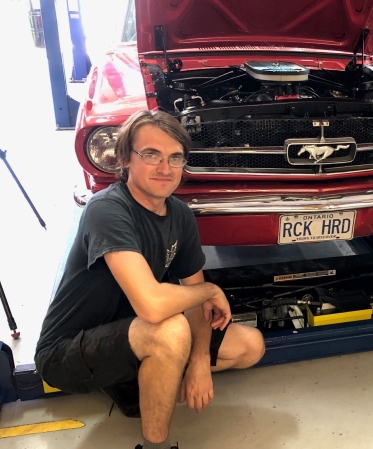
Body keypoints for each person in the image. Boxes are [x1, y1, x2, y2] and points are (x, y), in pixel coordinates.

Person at [35, 110, 266, 449]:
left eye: (175, 158)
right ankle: (155, 443)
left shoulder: (180, 215)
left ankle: (142, 382)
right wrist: (212, 289)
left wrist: (200, 360)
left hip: (133, 333)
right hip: (68, 350)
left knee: (250, 346)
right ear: (126, 158)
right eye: (151, 155)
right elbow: (154, 306)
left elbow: (193, 298)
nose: (165, 168)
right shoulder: (107, 209)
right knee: (168, 329)